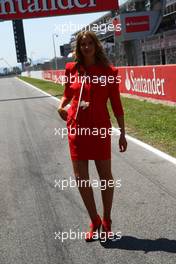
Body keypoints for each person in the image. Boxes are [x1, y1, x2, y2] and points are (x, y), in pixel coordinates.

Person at [57, 30, 127, 242]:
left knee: (105, 177)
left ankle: (106, 220)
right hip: (76, 129)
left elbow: (116, 104)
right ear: (78, 48)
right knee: (81, 179)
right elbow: (68, 93)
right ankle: (94, 219)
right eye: (82, 44)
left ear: (96, 45)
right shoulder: (71, 69)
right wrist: (61, 106)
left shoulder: (109, 71)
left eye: (89, 43)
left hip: (99, 129)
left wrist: (123, 133)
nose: (86, 47)